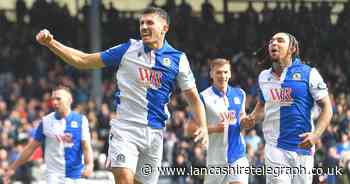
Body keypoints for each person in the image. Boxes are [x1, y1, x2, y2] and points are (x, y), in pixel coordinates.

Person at [35, 6, 208, 184]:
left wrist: (202, 125)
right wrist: (51, 43)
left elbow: (193, 97)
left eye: (150, 22)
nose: (144, 27)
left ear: (164, 28)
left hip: (155, 133)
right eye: (141, 23)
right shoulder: (128, 49)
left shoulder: (178, 59)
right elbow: (83, 60)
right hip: (125, 128)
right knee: (124, 178)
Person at [241, 32, 333, 184]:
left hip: (302, 148)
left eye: (280, 40)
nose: (274, 43)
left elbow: (327, 108)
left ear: (292, 48)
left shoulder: (309, 73)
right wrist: (252, 118)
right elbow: (262, 104)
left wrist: (316, 135)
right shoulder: (264, 77)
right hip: (274, 147)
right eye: (271, 41)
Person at [3, 86, 93, 184]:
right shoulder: (46, 121)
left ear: (69, 100)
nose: (54, 102)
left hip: (76, 175)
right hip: (54, 176)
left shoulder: (81, 120)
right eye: (53, 99)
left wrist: (89, 164)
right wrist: (13, 167)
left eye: (58, 99)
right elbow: (31, 148)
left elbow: (86, 146)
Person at [200, 58, 249, 184]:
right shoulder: (203, 97)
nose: (223, 76)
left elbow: (242, 117)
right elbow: (189, 129)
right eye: (218, 72)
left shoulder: (240, 94)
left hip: (238, 154)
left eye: (226, 72)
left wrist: (246, 122)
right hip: (215, 158)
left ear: (230, 73)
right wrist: (215, 129)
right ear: (211, 74)